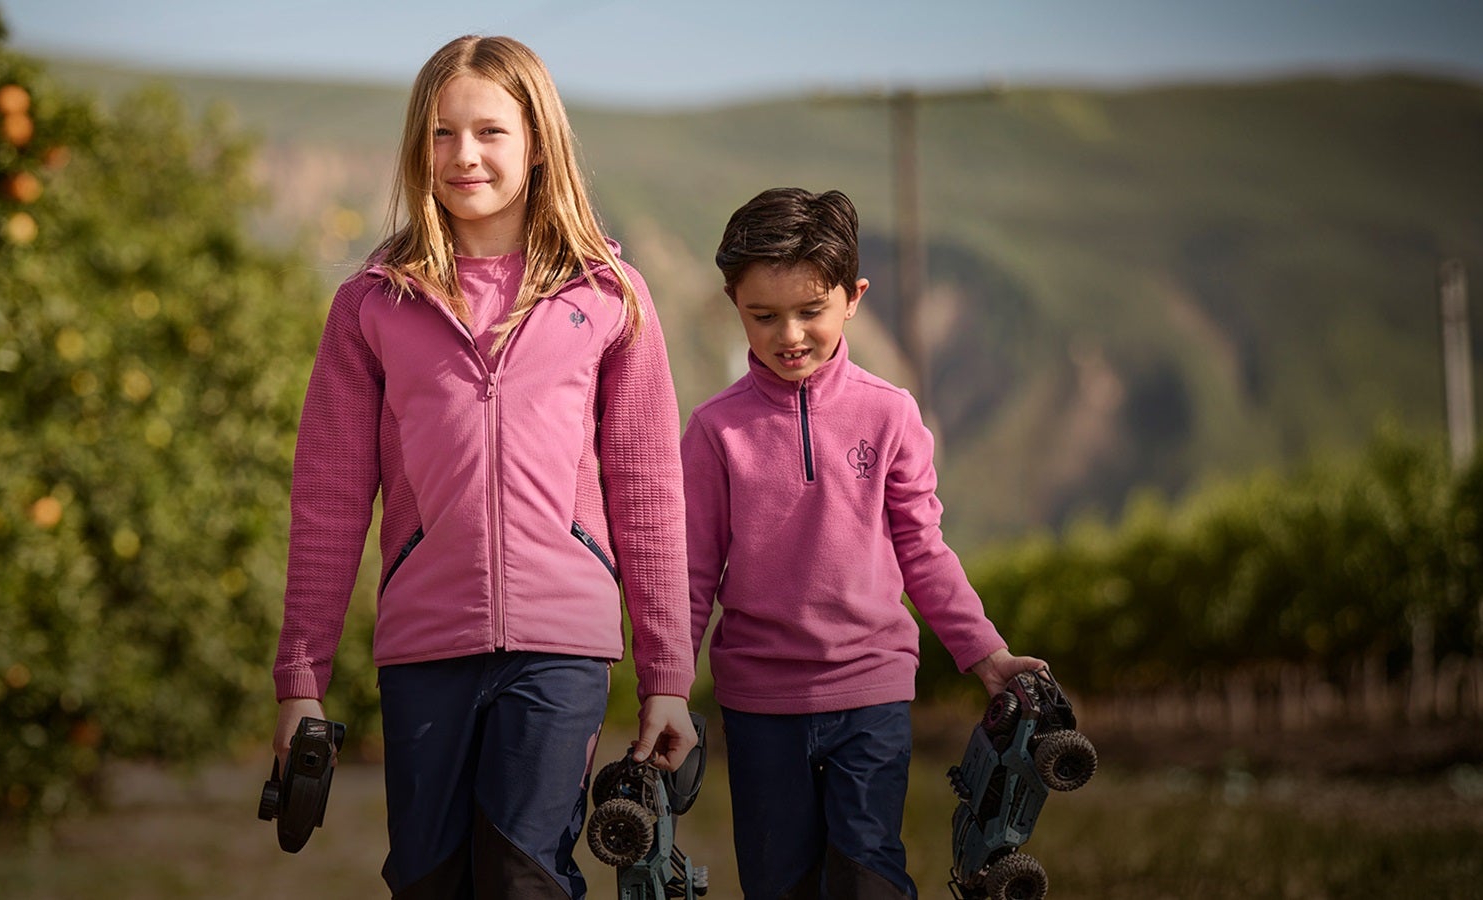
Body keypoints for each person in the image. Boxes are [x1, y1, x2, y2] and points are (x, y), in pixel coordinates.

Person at [270, 34, 697, 900]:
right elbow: (328, 500)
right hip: (424, 642)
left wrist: (668, 678)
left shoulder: (608, 295)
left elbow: (649, 492)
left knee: (522, 877)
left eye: (490, 131)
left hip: (561, 647)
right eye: (442, 133)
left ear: (537, 142)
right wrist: (300, 681)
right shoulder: (371, 303)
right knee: (427, 880)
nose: (464, 155)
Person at [682, 187, 1046, 900]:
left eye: (810, 310)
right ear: (734, 304)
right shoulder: (714, 431)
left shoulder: (890, 414)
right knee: (777, 880)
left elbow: (924, 550)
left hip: (871, 693)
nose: (790, 334)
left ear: (853, 297)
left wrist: (986, 654)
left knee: (867, 870)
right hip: (759, 702)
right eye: (764, 315)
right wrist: (666, 689)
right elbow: (692, 574)